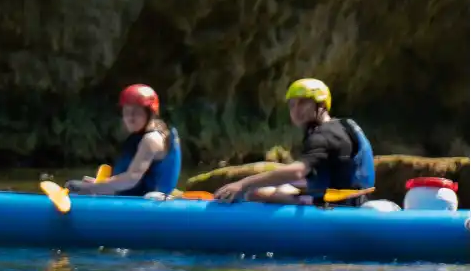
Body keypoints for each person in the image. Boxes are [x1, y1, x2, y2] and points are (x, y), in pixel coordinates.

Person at [214, 78, 376, 204]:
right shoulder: (344, 125)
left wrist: (243, 183)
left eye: (303, 103)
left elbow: (297, 171)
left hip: (337, 206)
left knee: (255, 193)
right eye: (292, 105)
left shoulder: (323, 135)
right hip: (354, 199)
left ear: (321, 105)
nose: (296, 110)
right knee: (283, 186)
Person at [69, 84, 183, 196]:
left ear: (150, 113)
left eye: (137, 112)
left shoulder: (151, 139)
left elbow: (131, 179)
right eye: (127, 112)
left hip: (152, 201)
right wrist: (99, 184)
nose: (130, 117)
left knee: (74, 187)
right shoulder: (146, 134)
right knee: (73, 185)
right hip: (137, 195)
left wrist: (92, 188)